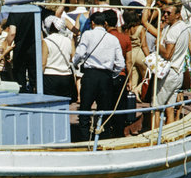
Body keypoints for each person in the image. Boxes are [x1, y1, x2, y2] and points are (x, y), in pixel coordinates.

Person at [72, 11, 125, 141]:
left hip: (90, 75)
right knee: (104, 111)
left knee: (85, 109)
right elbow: (121, 63)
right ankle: (103, 139)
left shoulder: (88, 34)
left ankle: (84, 140)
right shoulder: (113, 39)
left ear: (93, 23)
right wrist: (113, 75)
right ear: (105, 23)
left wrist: (75, 63)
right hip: (106, 77)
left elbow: (79, 53)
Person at [154, 2, 191, 126]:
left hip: (169, 73)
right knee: (170, 107)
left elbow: (168, 54)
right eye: (164, 12)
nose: (165, 15)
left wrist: (158, 45)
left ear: (177, 15)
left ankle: (153, 137)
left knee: (156, 107)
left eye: (168, 13)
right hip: (178, 72)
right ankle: (168, 135)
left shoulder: (173, 31)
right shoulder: (184, 27)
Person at [104, 9, 132, 138]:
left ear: (105, 23)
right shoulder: (125, 38)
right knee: (120, 107)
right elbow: (129, 61)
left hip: (107, 75)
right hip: (121, 76)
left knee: (105, 105)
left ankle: (106, 132)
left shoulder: (104, 38)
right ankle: (119, 134)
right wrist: (130, 80)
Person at [41, 15, 76, 100]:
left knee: (50, 103)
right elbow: (73, 58)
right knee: (64, 103)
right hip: (66, 76)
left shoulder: (46, 41)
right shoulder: (68, 40)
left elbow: (43, 63)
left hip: (50, 76)